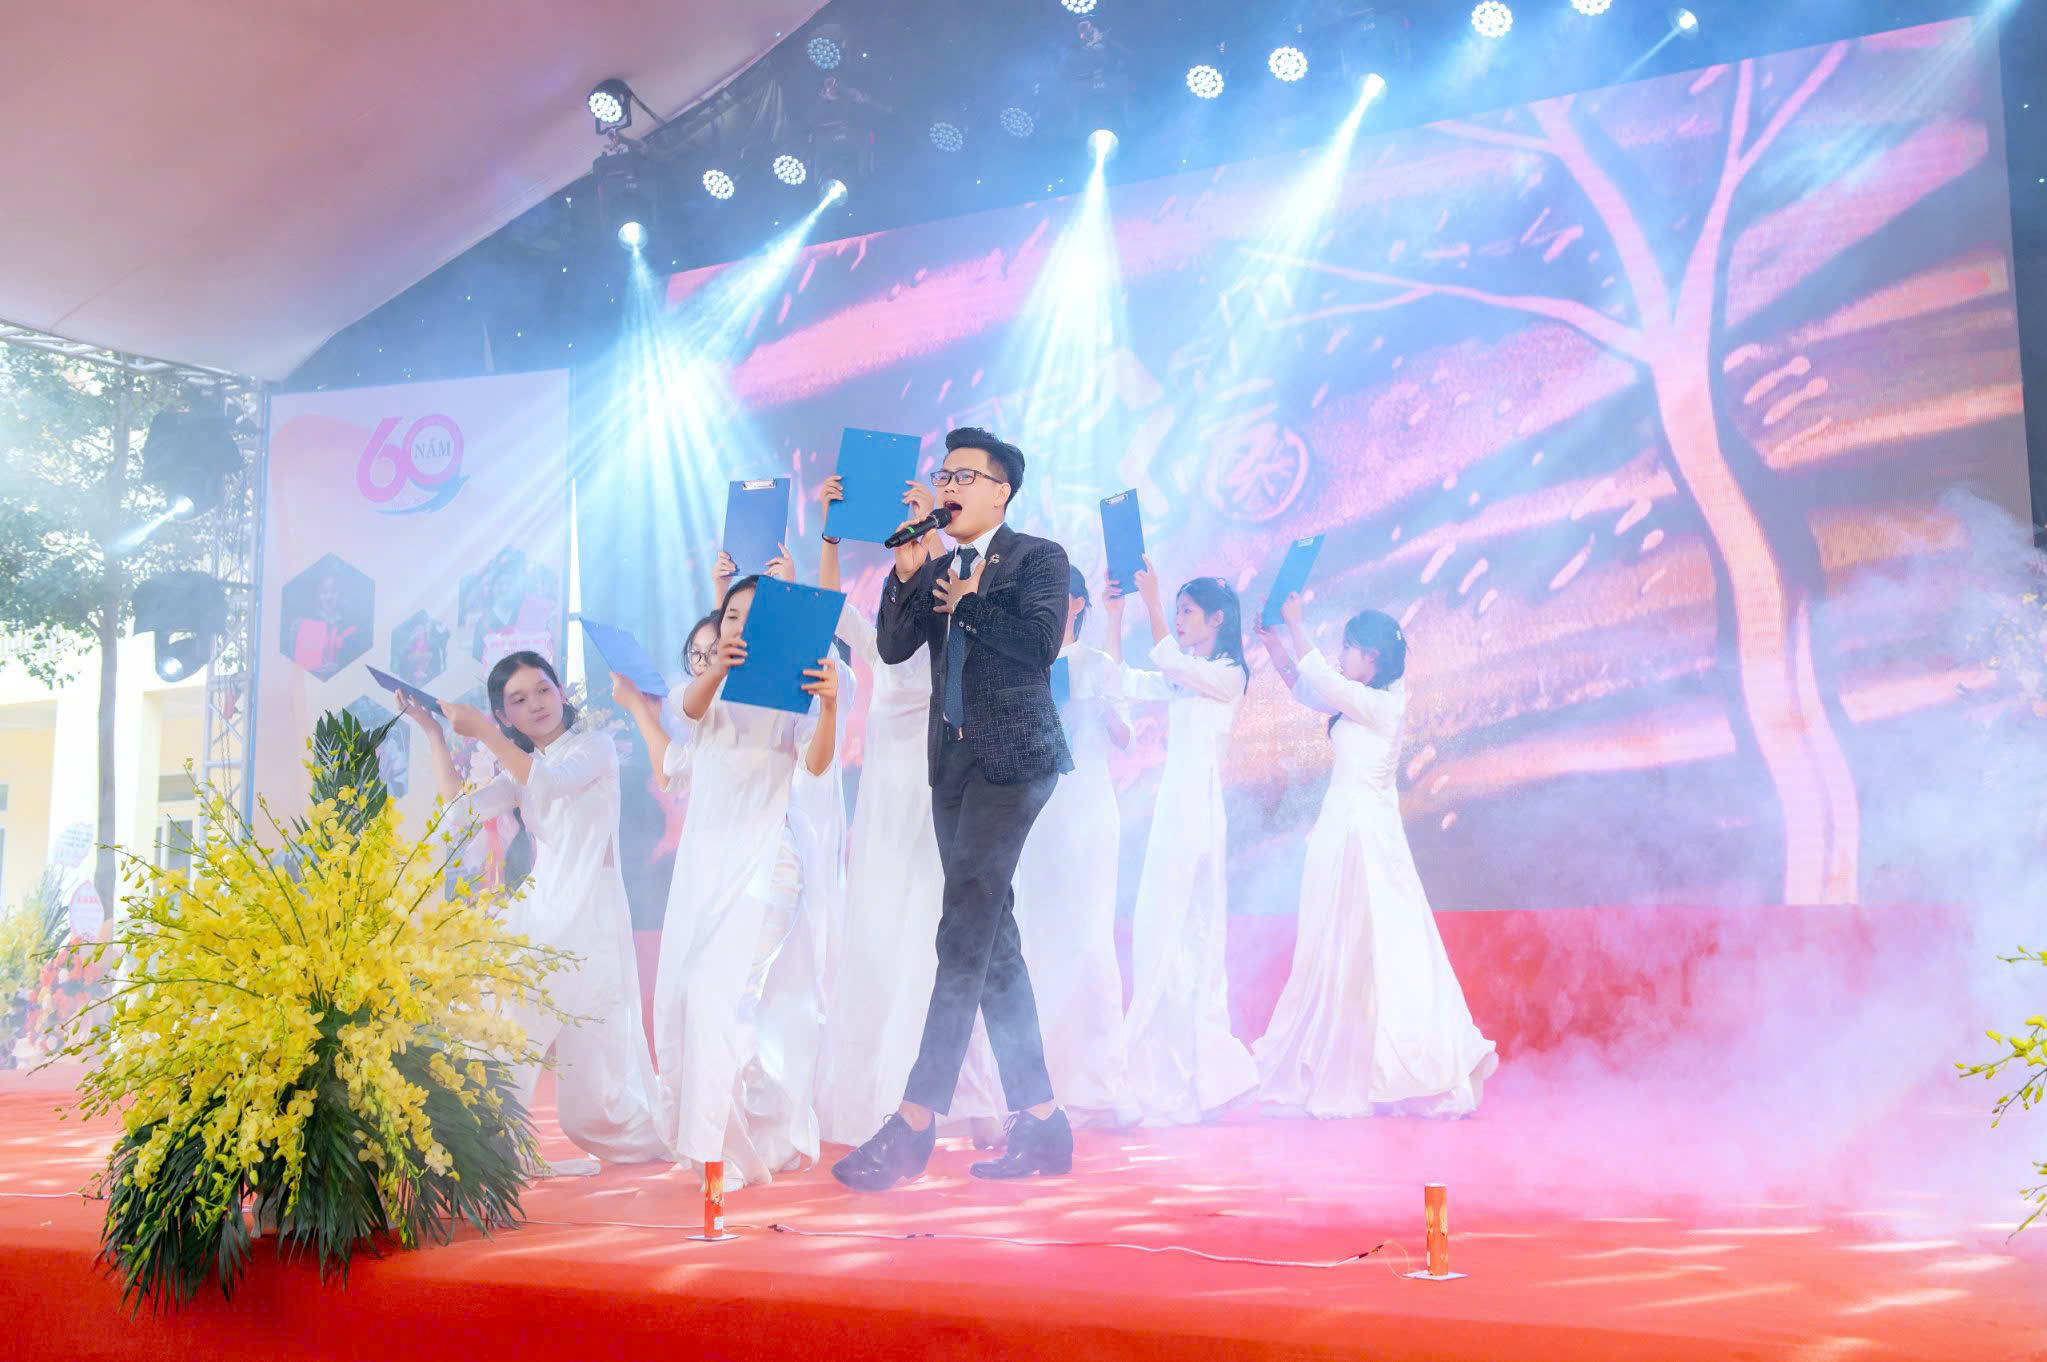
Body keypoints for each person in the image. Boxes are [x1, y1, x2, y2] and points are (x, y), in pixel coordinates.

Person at [832, 427, 1075, 1190]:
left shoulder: (1037, 557)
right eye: (943, 476)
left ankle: (913, 1122)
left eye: (964, 476)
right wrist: (907, 573)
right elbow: (893, 648)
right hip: (953, 767)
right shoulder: (935, 564)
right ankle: (1043, 1121)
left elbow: (1038, 645)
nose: (947, 487)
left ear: (1000, 491)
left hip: (1017, 761)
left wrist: (968, 604)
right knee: (991, 939)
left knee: (962, 927)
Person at [403, 651, 669, 1172]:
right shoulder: (521, 768)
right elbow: (459, 812)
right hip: (542, 910)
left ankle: (683, 1133)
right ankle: (487, 1148)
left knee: (593, 1110)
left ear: (561, 692)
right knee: (501, 1019)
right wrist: (434, 733)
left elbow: (549, 783)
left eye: (543, 690)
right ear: (506, 715)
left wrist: (485, 734)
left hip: (588, 913)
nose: (537, 704)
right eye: (519, 700)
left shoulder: (592, 747)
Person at [811, 476, 1007, 1149]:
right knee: (880, 935)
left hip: (939, 789)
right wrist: (831, 534)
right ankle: (879, 1097)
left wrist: (931, 527)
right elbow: (829, 608)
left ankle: (972, 1100)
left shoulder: (955, 629)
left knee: (937, 938)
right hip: (885, 802)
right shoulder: (881, 643)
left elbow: (965, 587)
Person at [1254, 597, 1498, 1117]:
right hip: (1341, 829)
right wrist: (1276, 644)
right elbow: (1308, 688)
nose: (1342, 655)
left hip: (1367, 836)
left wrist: (1297, 625)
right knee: (1338, 950)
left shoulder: (1384, 705)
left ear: (1374, 657)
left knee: (1390, 951)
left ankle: (1439, 1066)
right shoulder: (1359, 700)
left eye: (1349, 648)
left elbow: (1324, 679)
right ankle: (1355, 1067)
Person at [649, 575, 839, 1188]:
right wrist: (717, 668)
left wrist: (830, 706)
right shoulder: (702, 689)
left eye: (754, 619)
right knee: (690, 1000)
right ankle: (761, 1124)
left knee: (715, 995)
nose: (739, 628)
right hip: (704, 871)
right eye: (732, 616)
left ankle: (720, 1157)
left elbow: (816, 763)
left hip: (768, 867)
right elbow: (687, 709)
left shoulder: (795, 690)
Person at [1109, 565, 1259, 1126]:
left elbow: (1168, 661)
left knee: (1187, 932)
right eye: (1175, 611)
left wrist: (1149, 603)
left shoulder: (1227, 675)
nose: (1178, 620)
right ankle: (1167, 1068)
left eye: (1186, 612)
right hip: (1176, 812)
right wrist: (1114, 616)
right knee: (1162, 934)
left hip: (1197, 813)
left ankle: (1194, 1076)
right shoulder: (1190, 674)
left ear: (1218, 619)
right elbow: (1130, 680)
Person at [1010, 566, 1129, 1120]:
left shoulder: (1098, 664)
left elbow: (1126, 736)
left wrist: (1099, 706)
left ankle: (1102, 1081)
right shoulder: (1022, 662)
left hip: (1088, 811)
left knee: (1090, 939)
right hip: (1038, 814)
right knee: (1038, 937)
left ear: (1077, 603)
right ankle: (1042, 1085)